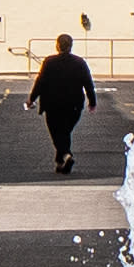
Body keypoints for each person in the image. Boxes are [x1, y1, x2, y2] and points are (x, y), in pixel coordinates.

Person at [32, 33, 95, 176]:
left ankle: (66, 155)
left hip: (52, 104)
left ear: (57, 45)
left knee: (57, 132)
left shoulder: (49, 62)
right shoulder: (80, 63)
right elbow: (88, 83)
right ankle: (60, 162)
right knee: (65, 132)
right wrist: (92, 102)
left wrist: (32, 98)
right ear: (71, 46)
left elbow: (40, 82)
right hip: (74, 106)